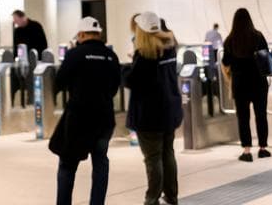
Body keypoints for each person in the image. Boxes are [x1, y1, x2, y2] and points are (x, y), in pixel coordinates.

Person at [48, 16, 120, 205]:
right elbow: (115, 87)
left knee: (67, 164)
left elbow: (59, 81)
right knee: (100, 162)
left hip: (79, 119)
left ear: (81, 34)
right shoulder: (111, 56)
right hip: (104, 118)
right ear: (99, 34)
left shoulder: (75, 54)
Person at [127, 12, 181, 205]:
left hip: (150, 115)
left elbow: (131, 80)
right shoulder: (169, 48)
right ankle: (172, 195)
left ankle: (152, 198)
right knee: (168, 153)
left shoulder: (145, 55)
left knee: (153, 157)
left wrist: (125, 69)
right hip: (170, 110)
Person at [221, 8, 271, 162]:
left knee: (243, 118)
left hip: (240, 84)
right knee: (261, 115)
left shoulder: (230, 40)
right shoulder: (258, 36)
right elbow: (265, 55)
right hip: (258, 83)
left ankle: (247, 150)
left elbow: (225, 61)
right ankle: (263, 148)